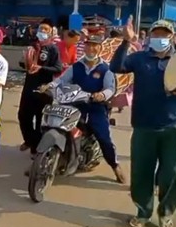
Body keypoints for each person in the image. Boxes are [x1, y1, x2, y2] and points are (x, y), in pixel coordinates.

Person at [110, 17, 176, 227]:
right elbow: (117, 67)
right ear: (150, 36)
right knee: (142, 173)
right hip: (144, 125)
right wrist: (126, 41)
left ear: (172, 37)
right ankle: (143, 211)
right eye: (156, 34)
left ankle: (166, 214)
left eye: (164, 34)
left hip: (173, 126)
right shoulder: (140, 58)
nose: (160, 38)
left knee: (172, 174)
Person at [46, 34, 126, 183]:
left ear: (100, 48)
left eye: (95, 45)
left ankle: (115, 166)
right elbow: (61, 80)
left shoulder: (106, 69)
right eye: (88, 45)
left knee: (104, 138)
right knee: (54, 124)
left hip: (95, 108)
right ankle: (44, 160)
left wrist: (102, 95)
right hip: (74, 104)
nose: (91, 48)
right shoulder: (76, 66)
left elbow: (110, 88)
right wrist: (49, 86)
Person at [18, 19, 63, 155]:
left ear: (50, 33)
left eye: (46, 30)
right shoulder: (32, 46)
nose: (42, 32)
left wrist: (41, 68)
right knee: (23, 116)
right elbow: (25, 63)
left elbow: (58, 68)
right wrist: (25, 63)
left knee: (39, 121)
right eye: (41, 29)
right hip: (28, 88)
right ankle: (30, 140)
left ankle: (36, 149)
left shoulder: (53, 48)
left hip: (43, 90)